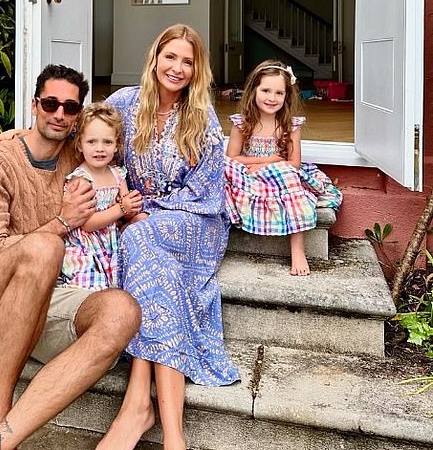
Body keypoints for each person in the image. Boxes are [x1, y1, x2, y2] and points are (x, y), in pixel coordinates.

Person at [0, 64, 141, 449]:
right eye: (50, 103)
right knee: (47, 247)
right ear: (34, 105)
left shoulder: (82, 161)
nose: (59, 114)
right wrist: (61, 222)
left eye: (70, 108)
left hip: (43, 307)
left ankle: (4, 438)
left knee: (122, 311)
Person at [99, 24, 241, 450]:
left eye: (188, 62)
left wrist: (144, 212)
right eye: (171, 57)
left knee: (140, 238)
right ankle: (170, 431)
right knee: (147, 252)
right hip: (141, 221)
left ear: (197, 71)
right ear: (155, 58)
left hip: (195, 220)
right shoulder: (124, 103)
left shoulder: (201, 118)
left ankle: (139, 405)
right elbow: (85, 138)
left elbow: (206, 191)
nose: (177, 68)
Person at [224, 59, 343, 276]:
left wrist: (269, 165)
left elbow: (294, 163)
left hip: (279, 177)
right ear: (253, 91)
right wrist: (266, 161)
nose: (272, 98)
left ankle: (297, 250)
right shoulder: (242, 123)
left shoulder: (290, 126)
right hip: (250, 177)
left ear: (286, 96)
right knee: (223, 168)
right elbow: (232, 157)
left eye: (279, 93)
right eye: (266, 90)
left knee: (288, 173)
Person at [60, 102, 143, 290]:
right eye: (92, 142)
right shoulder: (81, 180)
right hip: (86, 245)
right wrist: (121, 208)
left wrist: (131, 206)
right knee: (94, 287)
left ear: (116, 146)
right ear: (80, 144)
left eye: (107, 142)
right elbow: (87, 224)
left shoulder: (117, 175)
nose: (100, 149)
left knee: (142, 220)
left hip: (110, 239)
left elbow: (125, 212)